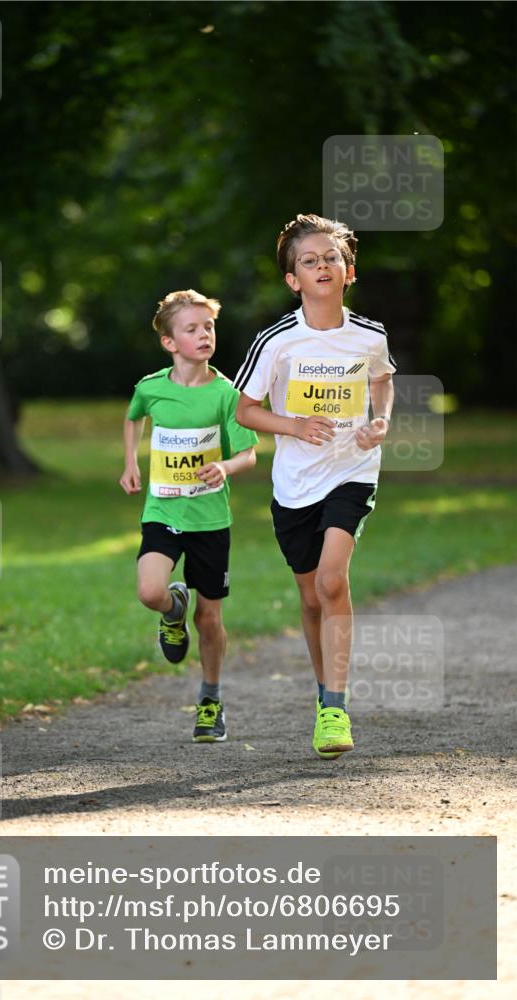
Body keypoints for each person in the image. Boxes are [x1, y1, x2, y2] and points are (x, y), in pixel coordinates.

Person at [234, 214, 396, 758]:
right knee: (309, 598)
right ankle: (323, 692)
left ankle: (335, 707)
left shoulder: (370, 335)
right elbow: (245, 410)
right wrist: (295, 425)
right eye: (310, 260)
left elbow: (382, 379)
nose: (322, 265)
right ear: (293, 280)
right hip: (295, 484)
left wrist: (380, 421)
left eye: (332, 257)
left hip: (351, 470)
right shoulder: (276, 341)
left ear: (348, 271)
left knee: (331, 581)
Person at [120, 289, 258, 742]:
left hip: (210, 521)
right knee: (149, 591)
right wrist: (130, 463)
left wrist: (225, 466)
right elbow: (133, 417)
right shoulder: (150, 387)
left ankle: (210, 699)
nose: (204, 335)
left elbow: (250, 455)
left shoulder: (225, 394)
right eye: (192, 329)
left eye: (209, 327)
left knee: (210, 620)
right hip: (162, 509)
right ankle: (171, 608)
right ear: (169, 343)